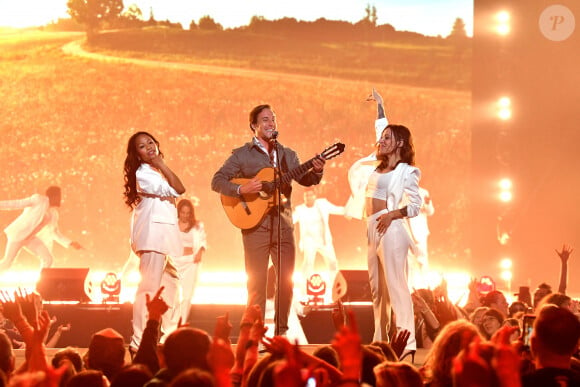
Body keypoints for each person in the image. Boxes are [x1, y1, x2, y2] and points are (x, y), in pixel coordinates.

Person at [211, 104, 325, 335]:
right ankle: (255, 334)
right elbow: (218, 181)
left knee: (286, 282)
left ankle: (280, 332)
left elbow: (307, 180)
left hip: (283, 226)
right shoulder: (242, 155)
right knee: (256, 284)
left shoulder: (287, 155)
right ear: (254, 126)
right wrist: (241, 190)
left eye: (273, 119)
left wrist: (318, 169)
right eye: (265, 120)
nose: (270, 123)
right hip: (255, 227)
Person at [346, 88, 422, 357]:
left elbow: (415, 205)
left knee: (397, 286)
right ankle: (380, 342)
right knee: (378, 291)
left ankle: (407, 343)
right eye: (382, 137)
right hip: (372, 227)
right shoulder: (377, 164)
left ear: (400, 143)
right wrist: (380, 105)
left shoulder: (407, 171)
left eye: (388, 138)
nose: (382, 140)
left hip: (391, 228)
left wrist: (392, 214)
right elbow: (382, 127)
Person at [123, 131, 186, 352]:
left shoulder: (154, 171)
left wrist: (160, 165)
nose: (148, 147)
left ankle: (169, 338)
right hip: (152, 236)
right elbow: (179, 188)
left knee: (171, 285)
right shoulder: (144, 173)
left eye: (151, 142)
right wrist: (161, 163)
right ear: (137, 155)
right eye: (142, 146)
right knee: (148, 289)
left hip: (163, 237)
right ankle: (138, 342)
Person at [0, 186, 82, 272]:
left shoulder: (53, 214)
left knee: (48, 259)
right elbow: (16, 203)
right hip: (18, 235)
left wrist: (71, 243)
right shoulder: (38, 200)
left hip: (30, 238)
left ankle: (42, 283)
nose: (60, 199)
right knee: (7, 263)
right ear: (53, 196)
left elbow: (54, 232)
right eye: (59, 197)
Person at [292, 187, 344, 298]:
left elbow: (338, 209)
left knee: (333, 263)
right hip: (309, 241)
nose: (308, 198)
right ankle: (304, 291)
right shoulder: (300, 209)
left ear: (315, 196)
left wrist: (351, 210)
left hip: (324, 241)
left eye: (310, 195)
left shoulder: (322, 204)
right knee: (308, 264)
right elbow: (290, 221)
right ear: (304, 197)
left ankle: (335, 289)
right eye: (306, 196)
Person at [166, 198, 207, 327]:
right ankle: (171, 324)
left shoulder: (197, 226)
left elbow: (202, 241)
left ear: (191, 213)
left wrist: (200, 251)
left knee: (187, 294)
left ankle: (182, 322)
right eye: (183, 212)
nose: (185, 215)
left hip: (190, 263)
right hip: (174, 263)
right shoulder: (172, 225)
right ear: (179, 212)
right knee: (173, 295)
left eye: (187, 213)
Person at [407, 186, 434, 288]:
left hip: (420, 231)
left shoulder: (423, 192)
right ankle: (410, 289)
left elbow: (430, 211)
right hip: (406, 231)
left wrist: (427, 204)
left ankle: (426, 288)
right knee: (408, 262)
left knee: (422, 260)